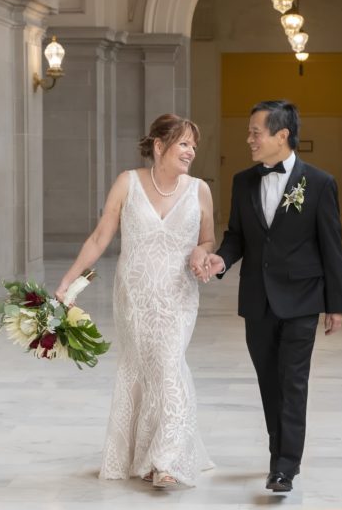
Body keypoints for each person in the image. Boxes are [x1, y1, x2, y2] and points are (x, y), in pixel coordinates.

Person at [55, 114, 215, 489]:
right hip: (135, 297)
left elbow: (208, 240)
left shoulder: (199, 190)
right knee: (143, 370)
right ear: (159, 146)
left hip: (178, 296)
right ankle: (145, 456)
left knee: (170, 366)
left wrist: (201, 254)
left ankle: (167, 461)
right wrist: (66, 282)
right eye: (184, 143)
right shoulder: (127, 183)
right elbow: (99, 239)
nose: (191, 151)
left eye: (194, 145)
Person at [202, 100, 342, 493]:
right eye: (249, 132)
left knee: (293, 382)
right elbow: (237, 236)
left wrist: (336, 304)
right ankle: (277, 452)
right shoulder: (242, 181)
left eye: (255, 132)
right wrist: (220, 261)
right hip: (257, 300)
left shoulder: (318, 183)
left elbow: (331, 247)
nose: (248, 138)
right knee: (270, 382)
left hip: (302, 300)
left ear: (282, 135)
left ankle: (285, 466)